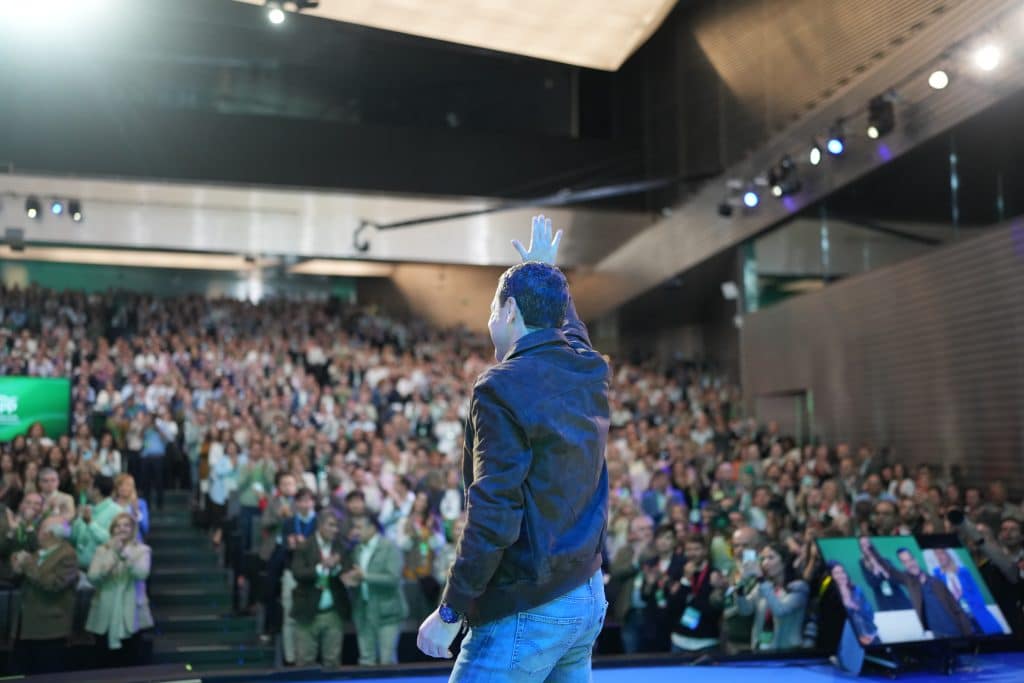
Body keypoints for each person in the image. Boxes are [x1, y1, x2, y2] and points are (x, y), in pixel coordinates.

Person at [418, 216, 610, 680]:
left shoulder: (500, 387)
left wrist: (451, 611)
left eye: (491, 310)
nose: (489, 322)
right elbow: (571, 327)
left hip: (528, 602)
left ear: (507, 312)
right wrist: (549, 277)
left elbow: (496, 510)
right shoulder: (589, 366)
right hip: (586, 593)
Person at [11, 516, 79, 675]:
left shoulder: (68, 555)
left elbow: (53, 585)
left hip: (49, 628)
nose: (37, 532)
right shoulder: (39, 552)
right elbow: (30, 577)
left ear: (50, 534)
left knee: (47, 673)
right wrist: (18, 569)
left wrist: (28, 564)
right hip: (26, 625)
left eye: (41, 529)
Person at [864, 541, 972, 638]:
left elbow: (957, 609)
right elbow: (889, 569)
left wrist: (968, 634)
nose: (910, 564)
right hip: (938, 636)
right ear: (903, 565)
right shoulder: (909, 581)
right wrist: (872, 549)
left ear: (915, 559)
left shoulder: (936, 581)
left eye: (910, 559)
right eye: (905, 562)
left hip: (957, 632)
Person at [85, 512, 154, 665]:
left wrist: (123, 554)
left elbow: (142, 573)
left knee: (130, 661)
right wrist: (110, 559)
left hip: (132, 613)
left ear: (133, 529)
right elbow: (92, 577)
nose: (121, 529)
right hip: (105, 611)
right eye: (117, 526)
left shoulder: (142, 550)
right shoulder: (102, 550)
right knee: (103, 661)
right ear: (112, 530)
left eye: (126, 525)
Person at [290, 512, 351, 669]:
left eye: (336, 526)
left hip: (333, 613)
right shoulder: (304, 546)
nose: (335, 530)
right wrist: (320, 567)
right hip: (307, 611)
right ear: (320, 526)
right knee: (305, 663)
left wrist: (336, 567)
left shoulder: (341, 547)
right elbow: (298, 573)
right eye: (331, 525)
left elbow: (348, 569)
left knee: (332, 663)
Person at [345, 514, 408, 666]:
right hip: (364, 611)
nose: (356, 532)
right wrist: (351, 580)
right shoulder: (357, 550)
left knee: (387, 661)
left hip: (388, 613)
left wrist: (365, 576)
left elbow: (394, 579)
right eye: (355, 528)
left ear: (372, 528)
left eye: (359, 527)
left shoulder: (389, 547)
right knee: (366, 661)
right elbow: (358, 577)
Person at [736, 542, 809, 651]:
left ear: (784, 561)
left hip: (788, 651)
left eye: (771, 558)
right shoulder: (764, 586)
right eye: (763, 559)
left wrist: (761, 579)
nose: (765, 563)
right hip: (761, 648)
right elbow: (745, 610)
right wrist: (740, 586)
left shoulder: (799, 587)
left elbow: (780, 610)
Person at [930, 547, 1003, 635]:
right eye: (936, 555)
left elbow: (976, 593)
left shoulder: (963, 571)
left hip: (977, 614)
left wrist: (975, 605)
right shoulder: (936, 575)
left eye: (941, 553)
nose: (939, 557)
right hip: (959, 620)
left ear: (948, 554)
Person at [828, 561, 880, 646]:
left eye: (842, 572)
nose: (841, 575)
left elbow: (870, 615)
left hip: (872, 636)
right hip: (853, 642)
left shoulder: (857, 591)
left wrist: (855, 606)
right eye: (836, 573)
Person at [857, 536, 912, 611]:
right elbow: (872, 583)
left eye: (867, 543)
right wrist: (879, 572)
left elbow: (897, 580)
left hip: (900, 600)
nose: (866, 547)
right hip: (884, 604)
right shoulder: (863, 564)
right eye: (863, 545)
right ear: (861, 549)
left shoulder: (886, 561)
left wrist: (882, 571)